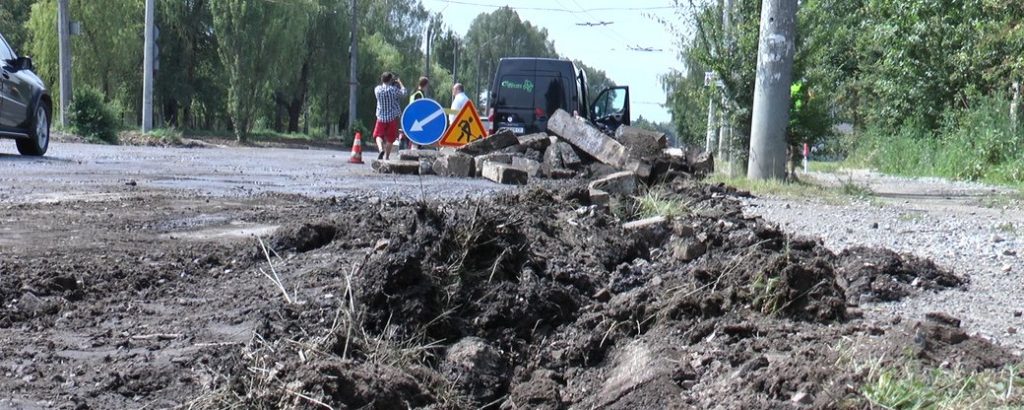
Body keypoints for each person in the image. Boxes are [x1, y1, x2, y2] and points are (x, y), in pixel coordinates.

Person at [373, 71, 406, 160]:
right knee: (390, 139)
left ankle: (380, 149)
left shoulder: (377, 90)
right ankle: (387, 157)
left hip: (380, 118)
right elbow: (404, 93)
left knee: (378, 136)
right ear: (391, 80)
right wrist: (399, 82)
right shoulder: (393, 90)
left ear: (382, 79)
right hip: (391, 118)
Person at [404, 77, 430, 150]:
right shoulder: (419, 93)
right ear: (426, 85)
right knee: (416, 137)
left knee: (414, 136)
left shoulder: (413, 92)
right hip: (416, 118)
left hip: (411, 116)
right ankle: (414, 151)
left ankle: (413, 149)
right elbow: (418, 106)